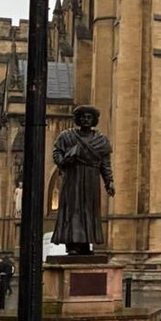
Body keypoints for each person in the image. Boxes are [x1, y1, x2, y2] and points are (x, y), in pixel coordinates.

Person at [51, 106, 115, 255]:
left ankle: (86, 243)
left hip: (91, 179)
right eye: (83, 117)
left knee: (89, 211)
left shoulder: (101, 140)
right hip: (73, 177)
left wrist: (109, 181)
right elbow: (57, 154)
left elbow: (105, 164)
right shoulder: (66, 136)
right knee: (74, 210)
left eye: (89, 117)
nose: (86, 120)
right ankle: (72, 243)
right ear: (78, 119)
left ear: (94, 120)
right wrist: (66, 159)